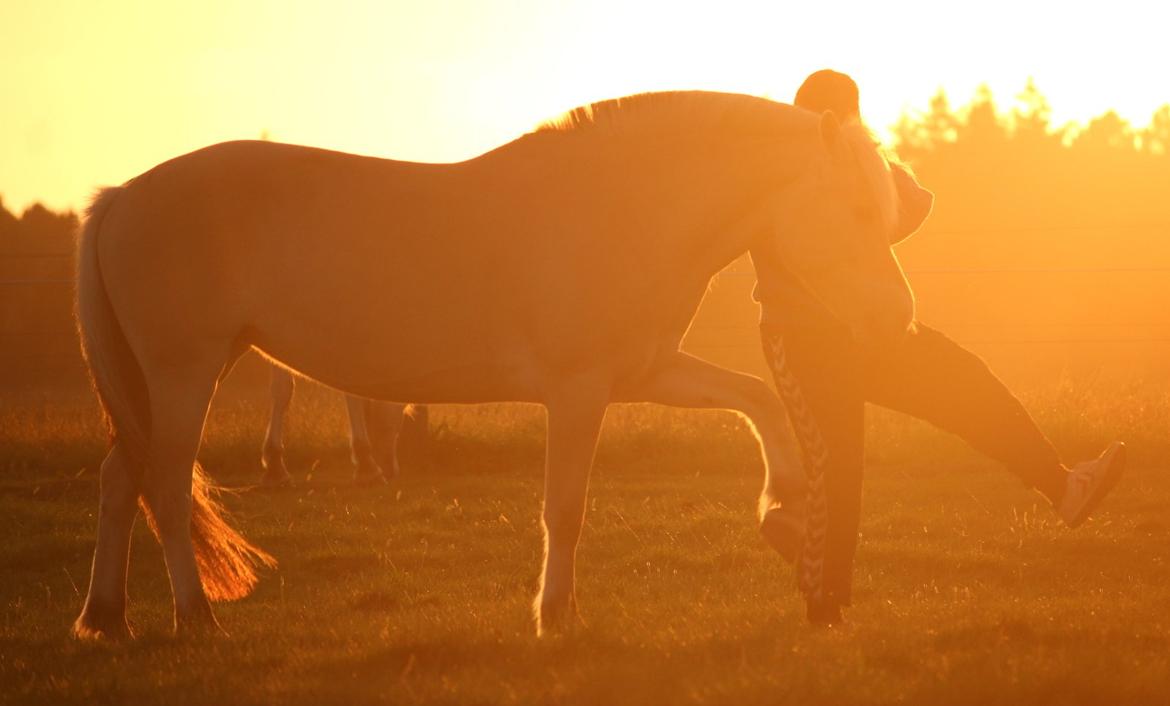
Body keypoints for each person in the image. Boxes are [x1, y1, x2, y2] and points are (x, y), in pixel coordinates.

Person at [753, 70, 1126, 625]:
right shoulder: (774, 175)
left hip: (871, 329)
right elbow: (910, 205)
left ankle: (1063, 486)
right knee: (840, 462)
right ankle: (821, 603)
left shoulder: (856, 171)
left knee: (963, 382)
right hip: (804, 340)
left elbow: (914, 203)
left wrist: (864, 163)